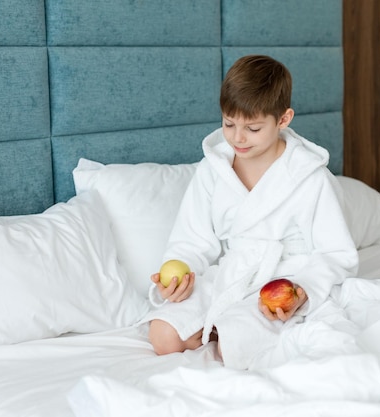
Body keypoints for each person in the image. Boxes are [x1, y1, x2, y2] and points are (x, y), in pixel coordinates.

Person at [147, 54, 359, 369]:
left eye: (253, 128)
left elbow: (336, 254)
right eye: (229, 123)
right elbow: (191, 240)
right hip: (232, 273)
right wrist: (182, 277)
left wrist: (303, 292)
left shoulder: (309, 176)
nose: (237, 138)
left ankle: (220, 332)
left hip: (285, 278)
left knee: (235, 343)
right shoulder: (213, 169)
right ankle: (213, 328)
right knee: (163, 337)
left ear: (284, 119)